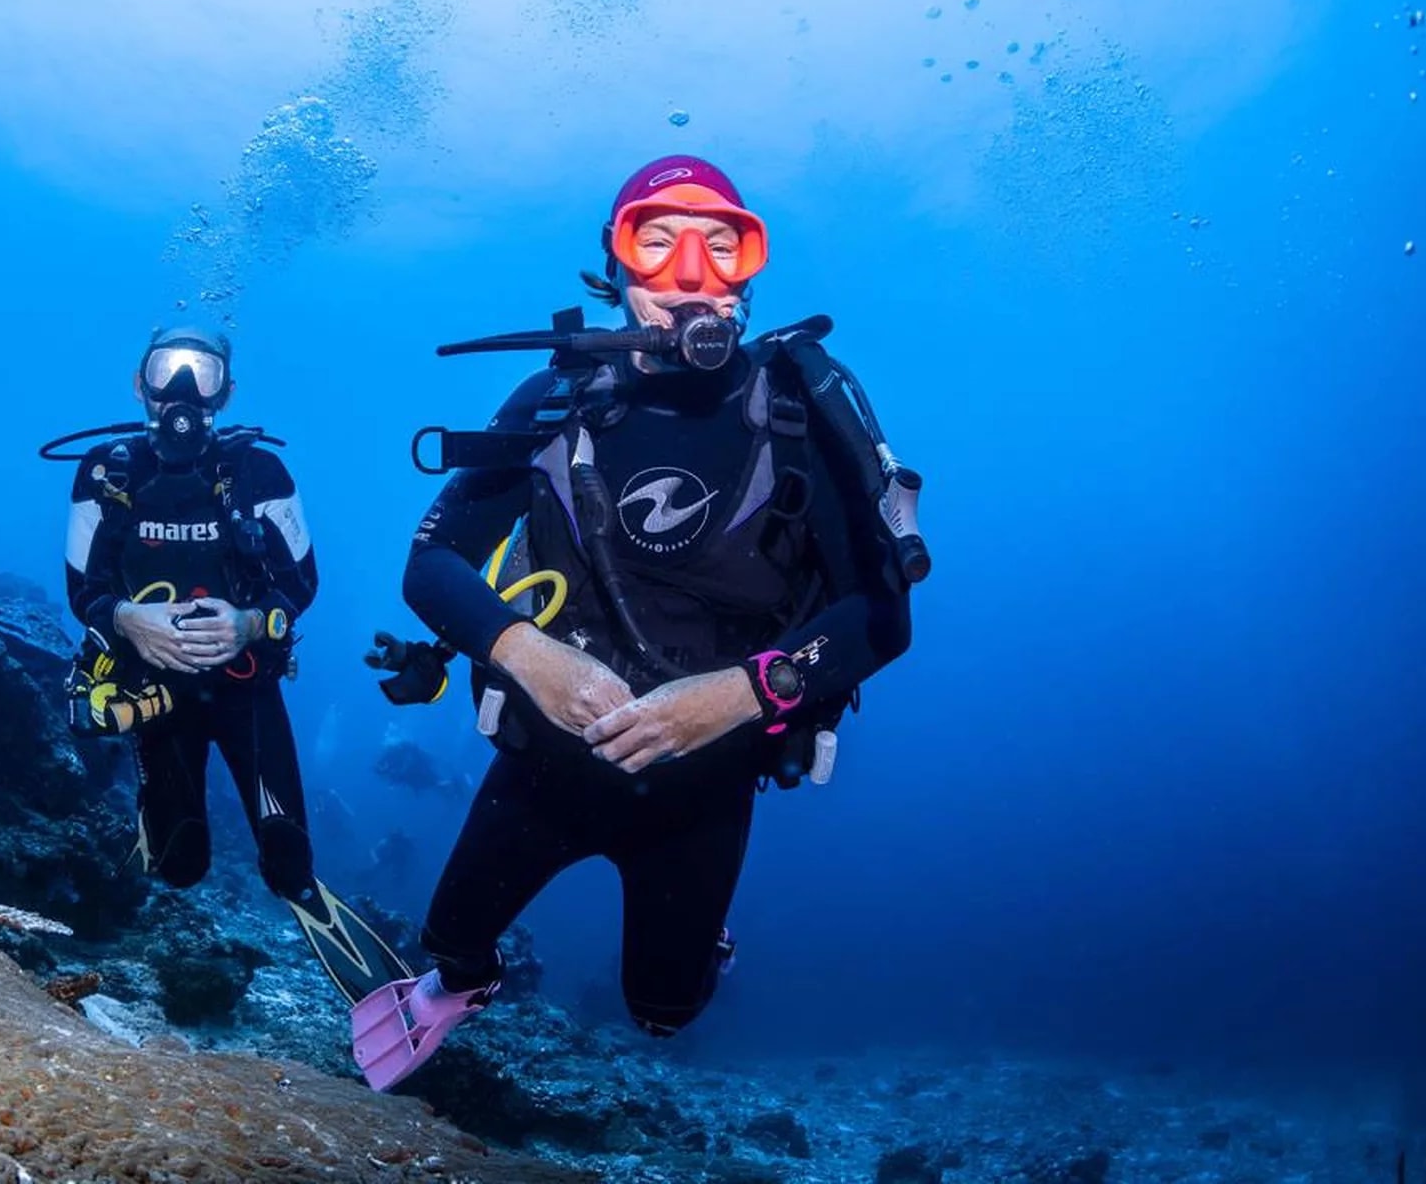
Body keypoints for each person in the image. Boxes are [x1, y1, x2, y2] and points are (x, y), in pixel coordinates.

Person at [352, 155, 924, 1090]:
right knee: (448, 941)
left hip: (708, 783)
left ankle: (703, 949)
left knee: (664, 1014)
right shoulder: (555, 400)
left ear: (748, 268)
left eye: (720, 243)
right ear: (613, 272)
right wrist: (526, 655)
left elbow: (883, 618)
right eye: (655, 243)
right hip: (544, 761)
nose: (690, 273)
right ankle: (463, 985)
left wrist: (741, 695)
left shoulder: (796, 410)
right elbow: (431, 562)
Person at [60, 325, 406, 1004]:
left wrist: (249, 623)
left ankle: (309, 899)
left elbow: (301, 584)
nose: (184, 392)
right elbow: (84, 592)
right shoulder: (106, 472)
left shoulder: (259, 473)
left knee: (288, 863)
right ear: (141, 383)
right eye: (168, 370)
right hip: (156, 695)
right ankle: (153, 818)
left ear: (228, 390)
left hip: (246, 691)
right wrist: (128, 619)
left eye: (204, 374)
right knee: (182, 866)